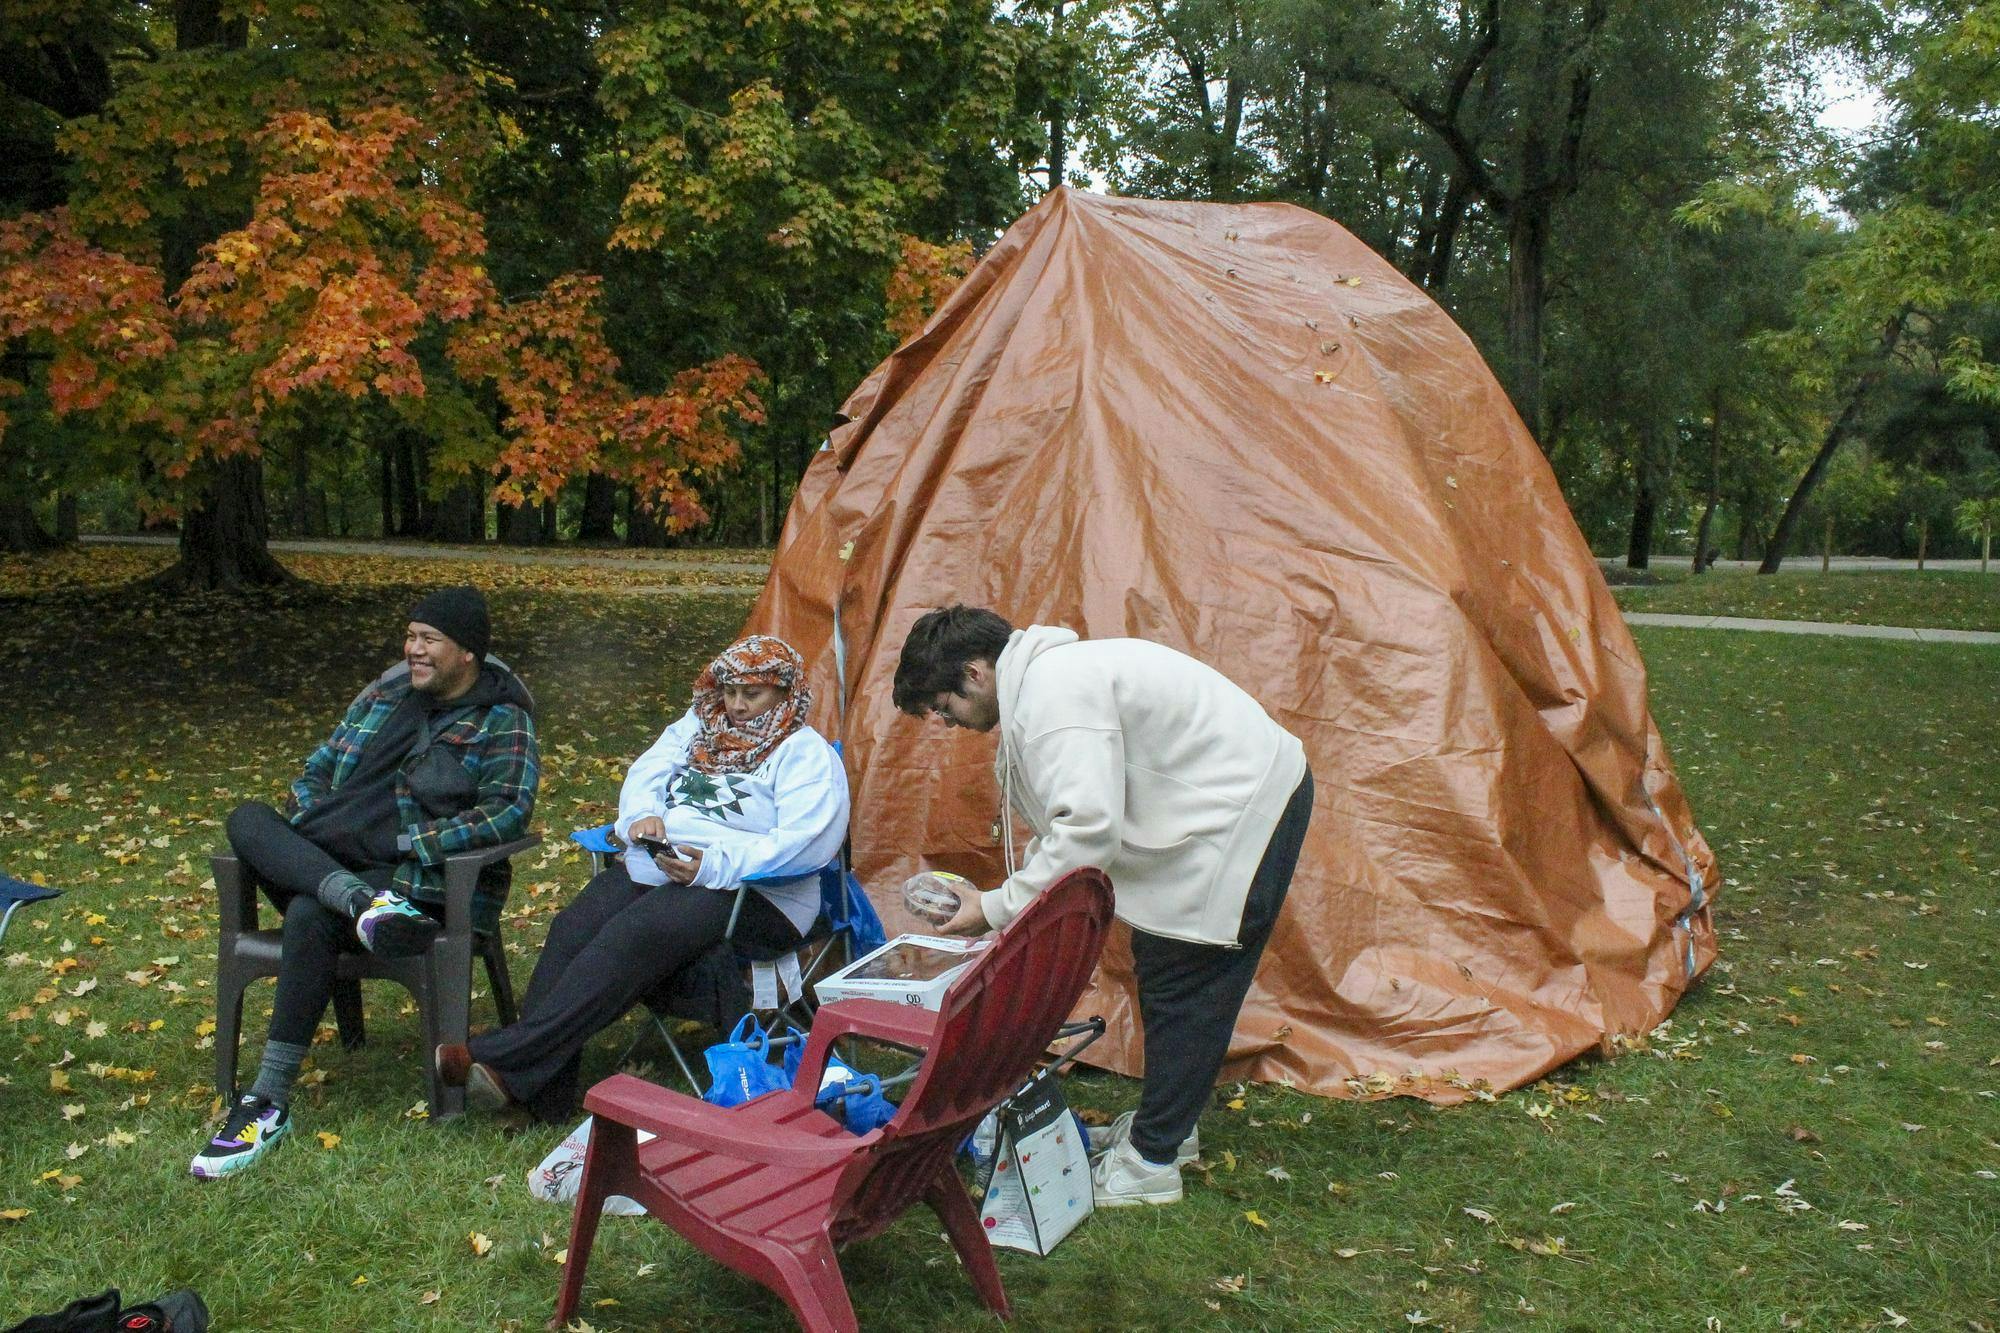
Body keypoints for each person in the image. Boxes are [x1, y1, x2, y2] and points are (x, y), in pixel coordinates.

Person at [892, 605, 1313, 1208]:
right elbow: (1072, 815)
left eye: (943, 703)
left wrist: (992, 908)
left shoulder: (1052, 696)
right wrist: (1005, 898)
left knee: (1188, 983)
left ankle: (1151, 1169)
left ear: (975, 672)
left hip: (1247, 811)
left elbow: (1086, 828)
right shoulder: (1047, 682)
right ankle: (1168, 1132)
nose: (943, 719)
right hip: (1231, 802)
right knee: (1169, 970)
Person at [192, 586, 540, 1180]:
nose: (414, 649)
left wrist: (410, 844)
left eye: (429, 639)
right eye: (410, 636)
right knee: (247, 819)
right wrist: (308, 829)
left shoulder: (500, 719)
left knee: (308, 914)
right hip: (338, 867)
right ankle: (356, 901)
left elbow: (508, 811)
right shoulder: (384, 696)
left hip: (413, 880)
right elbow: (315, 771)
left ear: (467, 655)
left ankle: (267, 1101)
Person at [436, 634, 848, 1122]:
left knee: (635, 933)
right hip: (666, 867)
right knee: (573, 927)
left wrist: (711, 865)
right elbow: (648, 771)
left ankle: (503, 1055)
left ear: (785, 693)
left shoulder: (805, 754)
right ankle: (539, 1096)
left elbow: (805, 842)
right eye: (729, 690)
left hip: (757, 893)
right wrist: (643, 818)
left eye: (751, 694)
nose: (736, 705)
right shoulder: (700, 727)